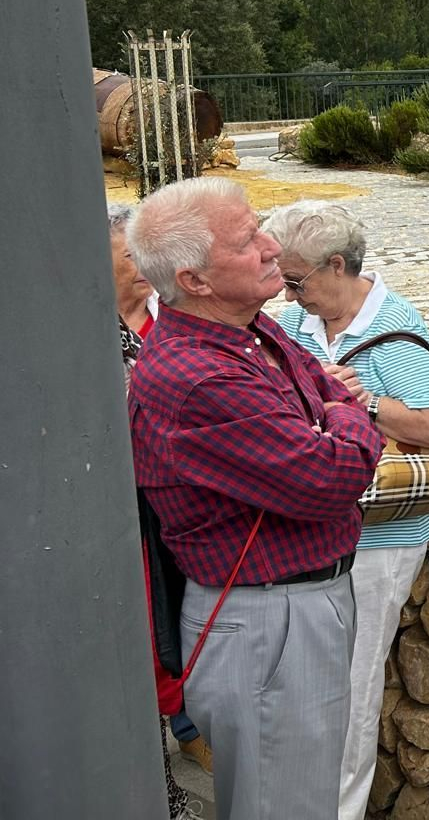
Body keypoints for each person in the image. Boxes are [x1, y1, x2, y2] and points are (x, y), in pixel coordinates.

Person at [126, 179, 384, 820]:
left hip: (291, 609)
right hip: (272, 622)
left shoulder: (250, 329)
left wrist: (330, 409)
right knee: (286, 807)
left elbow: (322, 385)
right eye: (247, 241)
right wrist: (349, 418)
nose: (272, 246)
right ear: (197, 279)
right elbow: (332, 475)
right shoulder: (199, 375)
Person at [262, 202, 429, 820]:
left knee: (354, 688)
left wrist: (363, 403)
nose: (287, 295)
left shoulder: (394, 326)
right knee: (308, 689)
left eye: (295, 281)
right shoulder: (294, 327)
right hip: (314, 532)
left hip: (380, 538)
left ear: (336, 266)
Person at [110, 204, 203, 819]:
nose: (142, 268)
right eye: (127, 256)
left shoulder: (176, 322)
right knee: (146, 629)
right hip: (127, 512)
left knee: (191, 616)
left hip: (187, 504)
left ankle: (192, 725)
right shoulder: (81, 334)